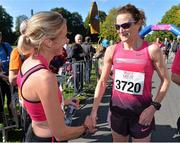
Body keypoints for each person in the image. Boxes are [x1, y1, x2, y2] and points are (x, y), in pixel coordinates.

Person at [90, 4, 170, 142]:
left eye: (126, 25)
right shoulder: (112, 50)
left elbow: (166, 80)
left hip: (142, 113)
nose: (121, 30)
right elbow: (102, 82)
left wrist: (153, 107)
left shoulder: (152, 49)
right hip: (117, 113)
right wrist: (94, 110)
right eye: (117, 27)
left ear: (138, 24)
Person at [16, 11, 95, 142]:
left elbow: (31, 103)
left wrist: (61, 101)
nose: (67, 40)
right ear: (49, 42)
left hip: (34, 134)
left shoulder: (28, 63)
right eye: (64, 36)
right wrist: (86, 127)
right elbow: (61, 134)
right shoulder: (45, 77)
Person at [0, 31, 13, 122]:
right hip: (0, 78)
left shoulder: (6, 46)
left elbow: (14, 58)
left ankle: (13, 117)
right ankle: (2, 120)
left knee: (11, 98)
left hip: (9, 77)